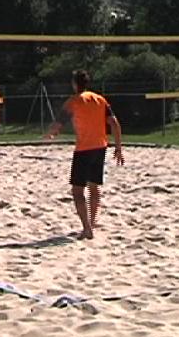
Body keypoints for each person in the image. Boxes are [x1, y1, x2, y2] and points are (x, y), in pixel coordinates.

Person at [45, 70, 124, 240]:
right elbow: (115, 123)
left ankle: (87, 228)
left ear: (74, 84)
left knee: (77, 191)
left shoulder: (73, 101)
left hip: (84, 149)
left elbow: (58, 123)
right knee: (94, 187)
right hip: (100, 147)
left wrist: (51, 133)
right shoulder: (99, 99)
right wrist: (118, 147)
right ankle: (92, 222)